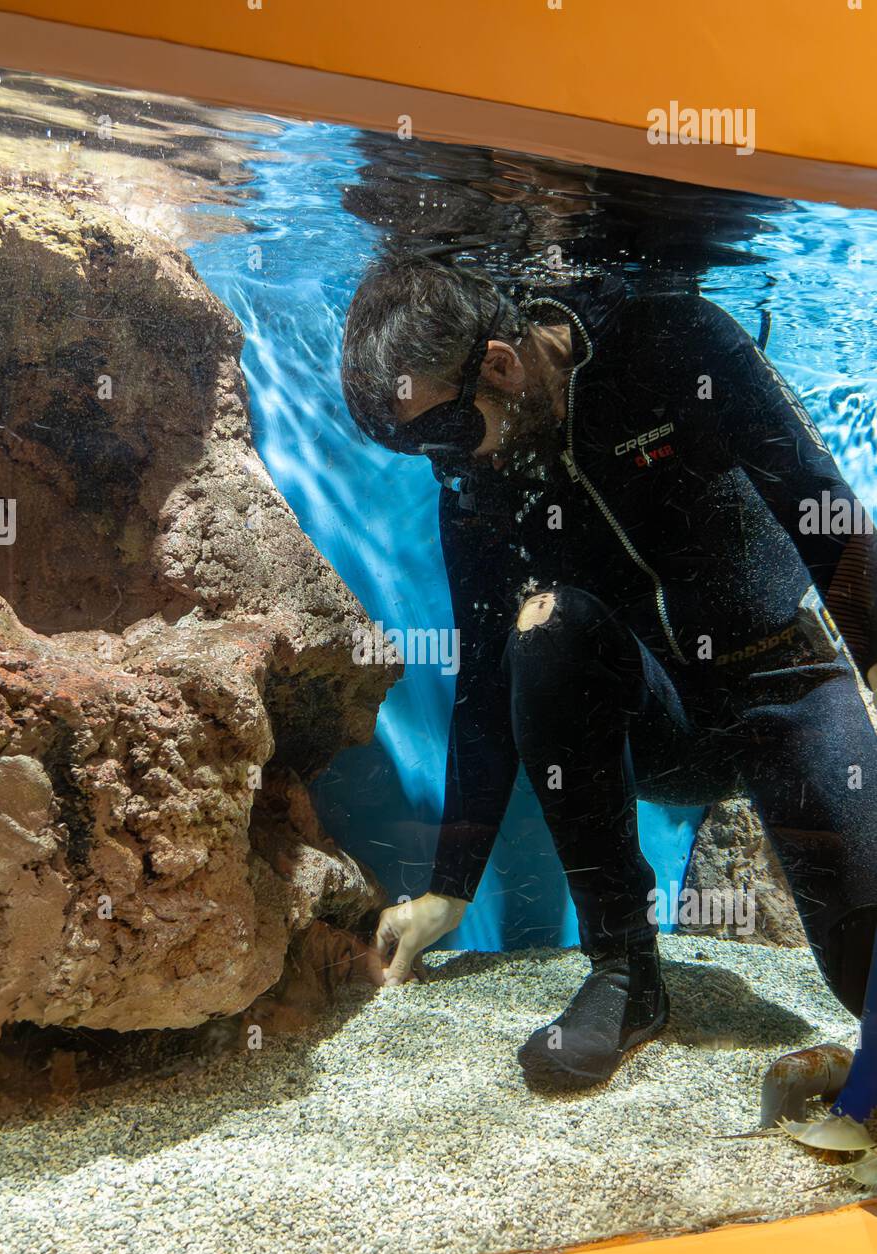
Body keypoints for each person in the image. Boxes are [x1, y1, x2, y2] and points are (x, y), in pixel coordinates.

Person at [340, 255, 877, 1088]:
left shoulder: (666, 340)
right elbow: (483, 681)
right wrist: (449, 888)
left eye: (438, 434)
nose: (439, 463)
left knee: (866, 976)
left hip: (787, 692)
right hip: (659, 730)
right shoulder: (475, 483)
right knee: (543, 626)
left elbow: (824, 510)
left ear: (499, 365)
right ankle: (624, 971)